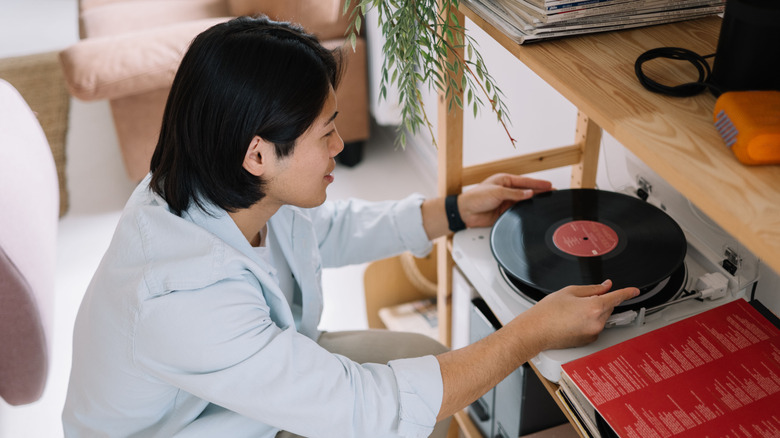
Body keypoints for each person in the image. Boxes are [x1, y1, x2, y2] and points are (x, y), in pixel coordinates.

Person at [62, 16, 639, 438]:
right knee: (412, 402)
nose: (340, 145)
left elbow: (324, 231)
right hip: (188, 429)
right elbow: (367, 409)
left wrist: (455, 210)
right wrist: (529, 333)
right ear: (259, 155)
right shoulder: (181, 293)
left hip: (234, 398)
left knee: (421, 356)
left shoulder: (218, 178)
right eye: (325, 134)